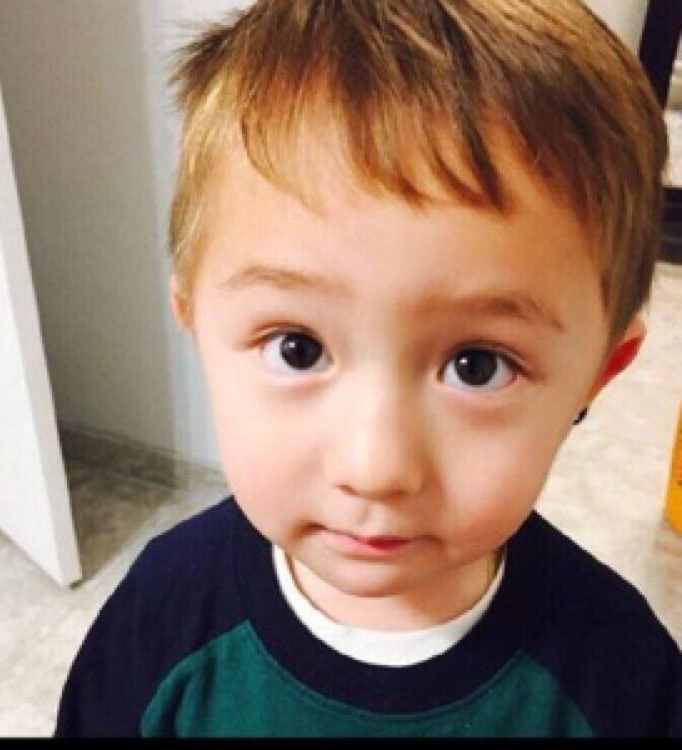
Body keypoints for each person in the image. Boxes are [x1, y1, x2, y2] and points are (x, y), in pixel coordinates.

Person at [54, 0, 681, 737]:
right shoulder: (162, 618)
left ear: (600, 373)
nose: (374, 468)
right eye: (298, 348)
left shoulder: (624, 678)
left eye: (477, 366)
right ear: (196, 324)